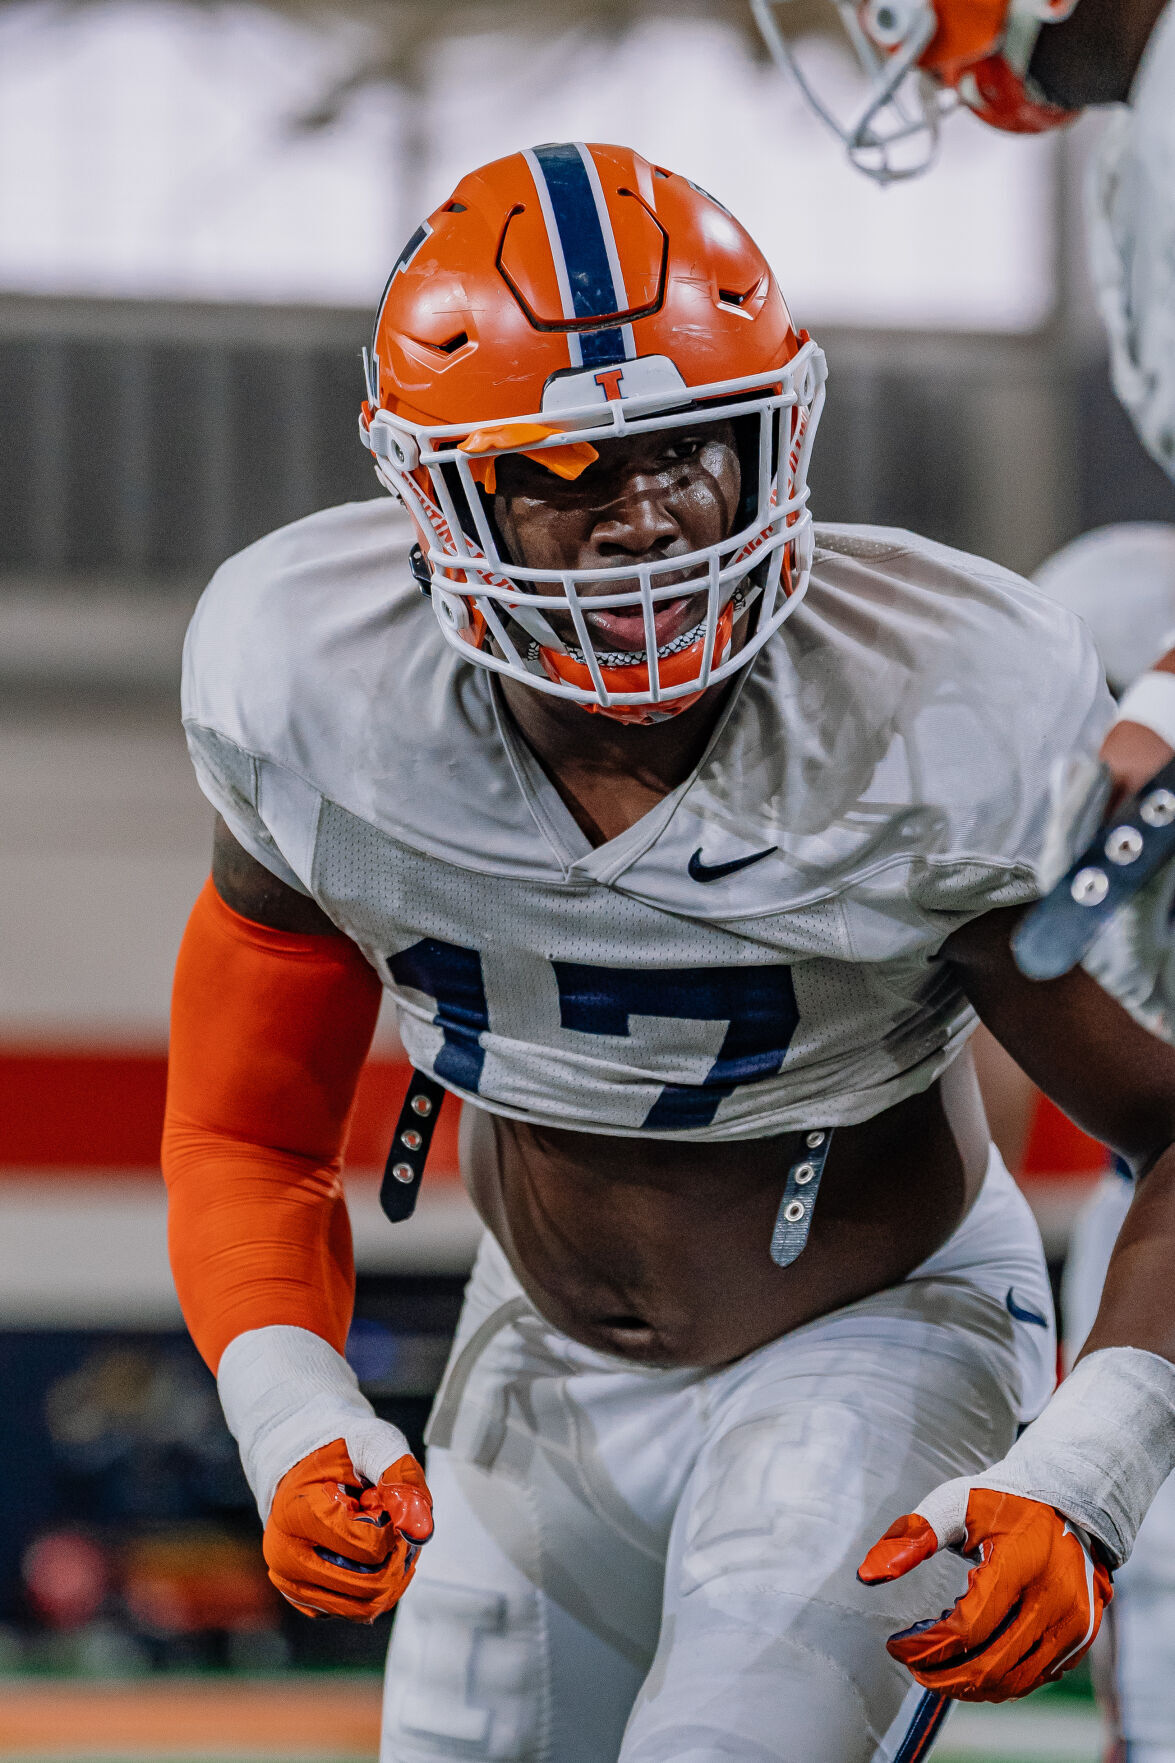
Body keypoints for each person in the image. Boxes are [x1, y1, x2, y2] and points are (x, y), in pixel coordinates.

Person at [163, 143, 1175, 1760]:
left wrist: (1092, 1468)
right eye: (571, 470)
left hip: (876, 1339)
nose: (653, 515)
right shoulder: (309, 682)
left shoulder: (946, 695)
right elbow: (245, 1126)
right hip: (533, 1360)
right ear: (441, 488)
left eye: (698, 442)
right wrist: (292, 1415)